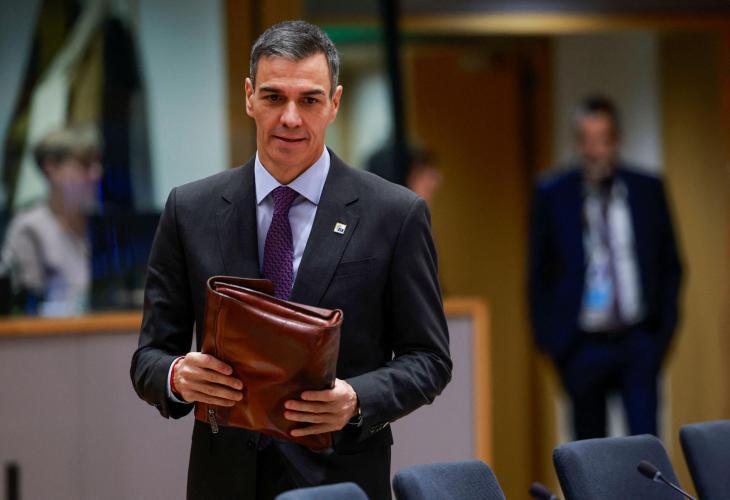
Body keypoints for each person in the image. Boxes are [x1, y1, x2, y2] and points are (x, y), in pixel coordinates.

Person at [130, 20, 451, 500]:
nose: (291, 118)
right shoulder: (189, 210)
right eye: (274, 97)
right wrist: (178, 376)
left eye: (310, 100)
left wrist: (356, 399)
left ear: (334, 103)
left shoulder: (394, 214)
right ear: (249, 98)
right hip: (224, 481)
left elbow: (429, 359)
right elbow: (149, 358)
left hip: (339, 480)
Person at [528, 95, 682, 440]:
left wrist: (661, 336)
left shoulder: (647, 189)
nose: (594, 150)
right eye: (586, 140)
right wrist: (552, 344)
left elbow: (670, 265)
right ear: (576, 142)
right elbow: (539, 274)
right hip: (582, 344)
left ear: (617, 140)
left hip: (638, 340)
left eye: (602, 139)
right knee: (589, 449)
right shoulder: (553, 194)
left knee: (644, 445)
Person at [1, 126, 102, 316]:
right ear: (52, 169)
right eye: (85, 165)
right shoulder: (29, 228)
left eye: (96, 164)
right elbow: (24, 310)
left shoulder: (103, 223)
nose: (96, 173)